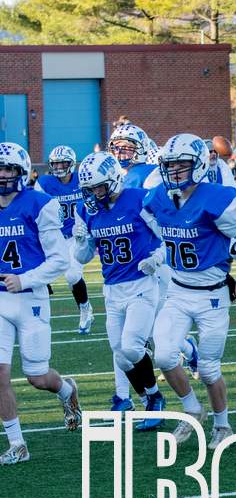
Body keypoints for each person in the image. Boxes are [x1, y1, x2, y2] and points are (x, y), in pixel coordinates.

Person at [146, 134, 236, 448]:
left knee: (210, 368)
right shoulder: (158, 197)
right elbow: (152, 223)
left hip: (212, 295)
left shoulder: (216, 199)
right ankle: (192, 409)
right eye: (170, 165)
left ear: (199, 165)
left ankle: (222, 424)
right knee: (164, 355)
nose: (174, 171)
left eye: (182, 164)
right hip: (177, 290)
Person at [0, 142, 81, 465]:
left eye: (8, 169)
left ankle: (66, 390)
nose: (2, 175)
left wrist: (25, 279)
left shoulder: (39, 203)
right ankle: (17, 443)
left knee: (36, 376)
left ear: (21, 172)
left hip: (30, 298)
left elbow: (60, 259)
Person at [74, 152, 167, 428]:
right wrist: (80, 241)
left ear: (114, 180)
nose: (94, 194)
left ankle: (156, 398)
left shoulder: (140, 199)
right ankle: (148, 398)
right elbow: (82, 257)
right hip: (112, 290)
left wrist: (157, 259)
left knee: (132, 347)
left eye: (98, 187)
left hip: (141, 285)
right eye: (89, 189)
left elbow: (168, 236)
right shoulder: (88, 211)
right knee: (120, 354)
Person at [35, 146, 93, 335]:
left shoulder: (82, 179)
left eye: (63, 163)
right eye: (56, 164)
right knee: (39, 272)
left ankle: (85, 308)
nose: (59, 167)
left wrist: (87, 226)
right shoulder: (44, 183)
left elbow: (93, 204)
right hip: (54, 236)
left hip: (76, 235)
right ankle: (37, 312)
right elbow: (37, 209)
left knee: (72, 275)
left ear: (72, 164)